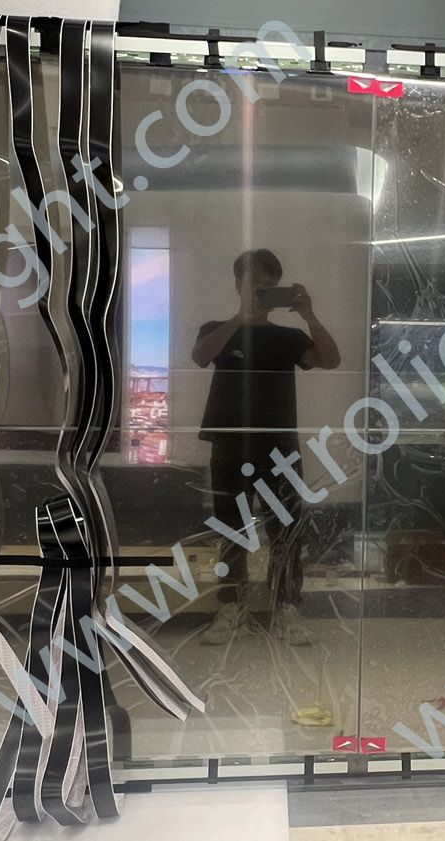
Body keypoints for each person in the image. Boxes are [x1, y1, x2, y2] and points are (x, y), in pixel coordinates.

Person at [191, 249, 341, 645]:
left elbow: (330, 360)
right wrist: (239, 319)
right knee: (231, 529)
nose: (259, 291)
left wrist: (309, 315)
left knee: (287, 530)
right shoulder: (216, 329)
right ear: (236, 285)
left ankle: (286, 606)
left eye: (268, 286)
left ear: (278, 290)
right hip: (229, 444)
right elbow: (200, 356)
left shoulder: (288, 338)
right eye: (252, 284)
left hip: (279, 447)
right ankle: (231, 606)